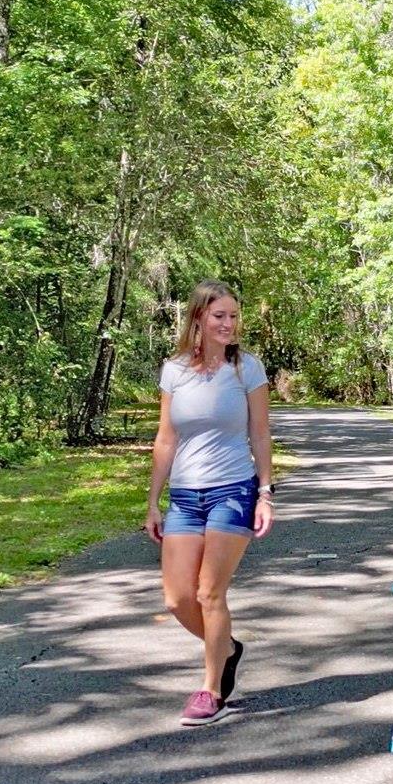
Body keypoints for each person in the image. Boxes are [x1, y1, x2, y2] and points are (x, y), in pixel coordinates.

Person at [144, 280, 274, 726]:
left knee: (209, 592)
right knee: (179, 598)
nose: (229, 324)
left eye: (234, 316)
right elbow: (166, 437)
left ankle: (210, 688)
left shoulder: (247, 369)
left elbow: (260, 434)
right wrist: (152, 501)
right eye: (220, 315)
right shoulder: (174, 370)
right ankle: (228, 647)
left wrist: (265, 491)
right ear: (198, 318)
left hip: (233, 490)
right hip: (184, 496)